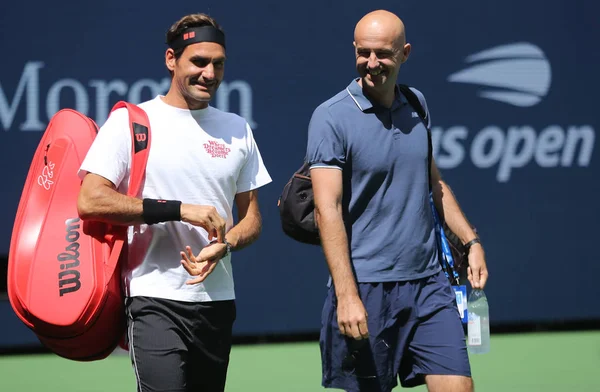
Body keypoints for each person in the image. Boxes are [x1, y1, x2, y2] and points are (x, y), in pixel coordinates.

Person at [76, 13, 272, 392]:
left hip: (217, 302)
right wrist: (179, 209)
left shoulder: (237, 129)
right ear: (171, 60)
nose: (210, 73)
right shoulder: (131, 122)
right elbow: (91, 198)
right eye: (199, 62)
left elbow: (252, 220)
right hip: (153, 299)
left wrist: (226, 243)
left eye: (218, 64)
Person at [305, 9, 489, 392]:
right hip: (366, 287)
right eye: (364, 52)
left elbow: (434, 184)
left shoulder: (417, 104)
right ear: (355, 50)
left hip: (429, 285)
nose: (372, 64)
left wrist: (470, 242)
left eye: (384, 54)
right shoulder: (330, 118)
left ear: (404, 53)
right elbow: (328, 211)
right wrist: (347, 296)